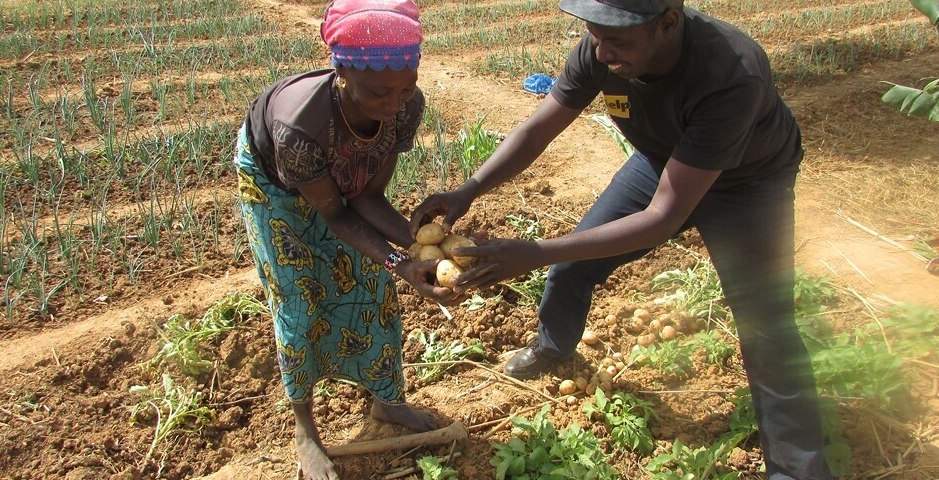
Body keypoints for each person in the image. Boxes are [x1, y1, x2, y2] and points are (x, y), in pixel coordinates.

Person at [412, 1, 832, 478]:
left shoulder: (731, 71)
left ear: (668, 22)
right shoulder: (603, 47)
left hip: (748, 184)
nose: (605, 51)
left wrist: (535, 252)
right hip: (662, 161)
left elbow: (661, 218)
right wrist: (469, 189)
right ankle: (553, 348)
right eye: (596, 36)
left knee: (766, 326)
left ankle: (798, 469)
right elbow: (537, 130)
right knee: (572, 264)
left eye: (620, 41)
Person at [234, 1, 458, 478]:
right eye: (379, 93)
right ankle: (306, 430)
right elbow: (335, 212)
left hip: (336, 188)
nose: (394, 103)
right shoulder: (300, 126)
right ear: (341, 73)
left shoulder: (404, 106)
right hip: (276, 184)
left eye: (406, 88)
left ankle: (387, 401)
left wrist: (423, 244)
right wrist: (401, 261)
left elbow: (368, 196)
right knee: (299, 297)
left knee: (373, 287)